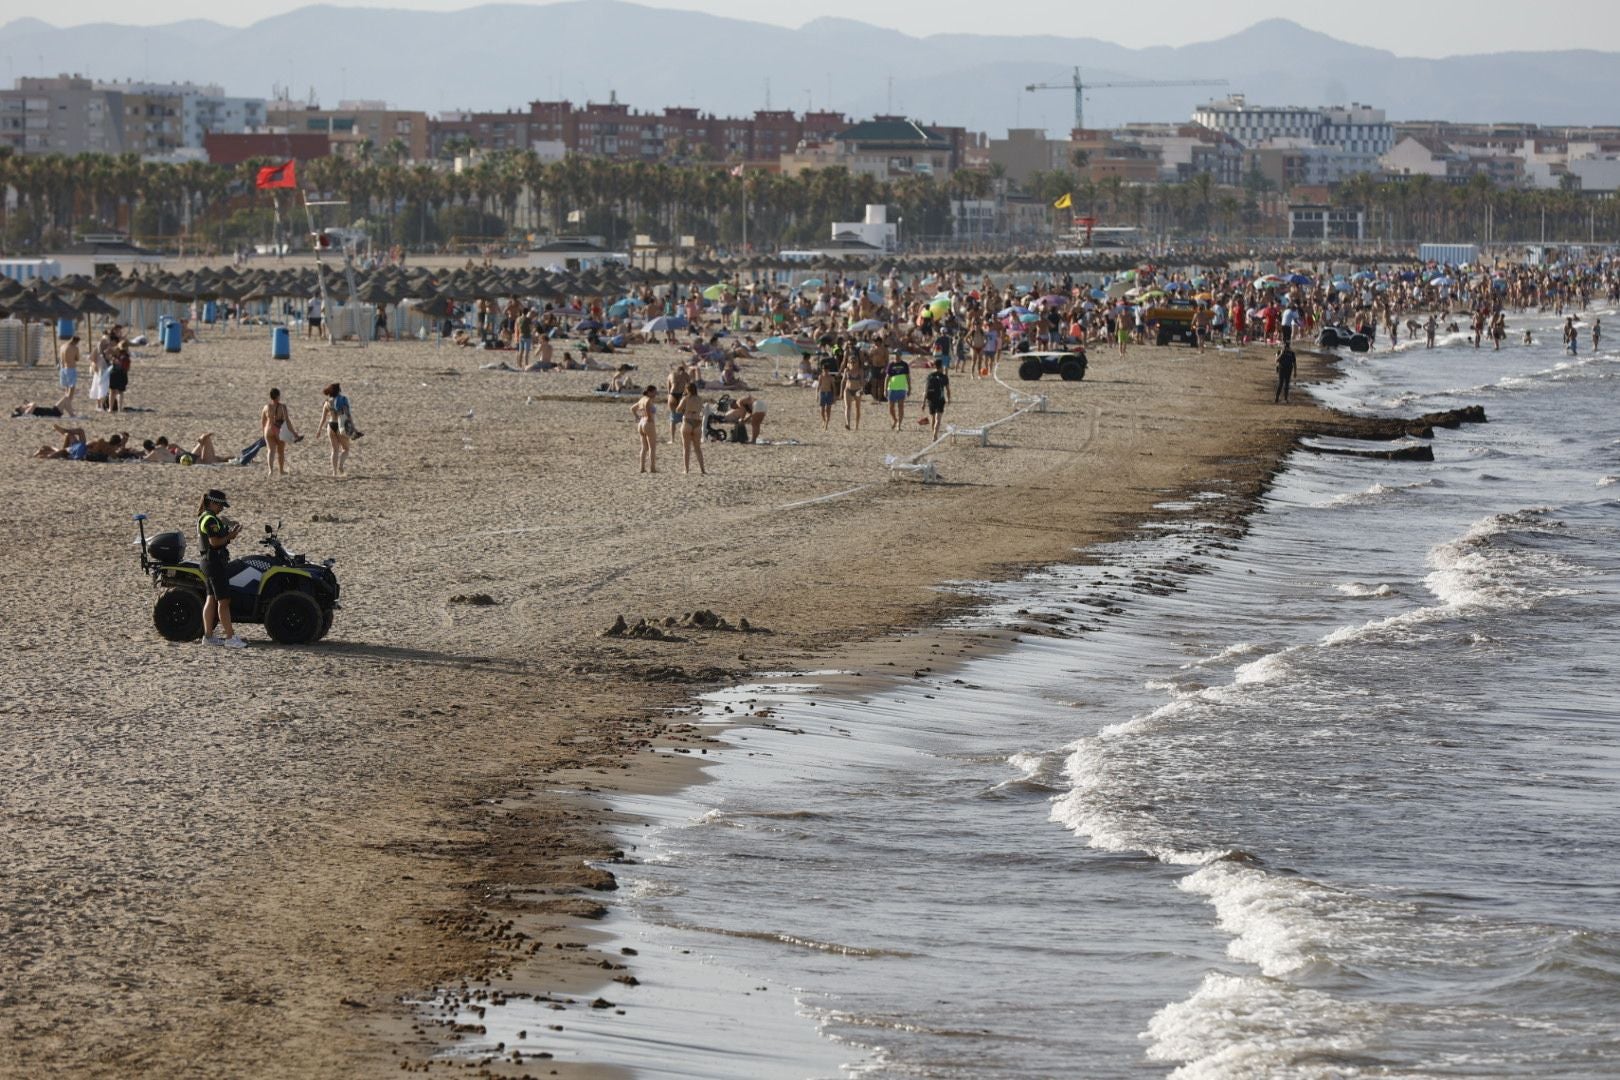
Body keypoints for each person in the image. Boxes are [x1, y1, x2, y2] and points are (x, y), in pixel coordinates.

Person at [197, 489, 247, 648]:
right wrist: (230, 537)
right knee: (224, 601)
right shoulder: (209, 519)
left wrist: (228, 533)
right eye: (221, 506)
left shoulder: (207, 517)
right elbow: (215, 542)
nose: (222, 509)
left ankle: (208, 637)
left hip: (208, 562)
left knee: (211, 599)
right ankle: (230, 638)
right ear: (212, 503)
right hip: (214, 563)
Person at [260, 387, 301, 477]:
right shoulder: (283, 407)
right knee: (280, 452)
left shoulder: (266, 407)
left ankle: (270, 471)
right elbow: (287, 421)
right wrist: (294, 433)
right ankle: (281, 471)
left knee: (270, 451)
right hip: (278, 430)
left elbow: (263, 421)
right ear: (278, 396)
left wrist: (263, 433)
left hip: (269, 429)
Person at [320, 383, 356, 476]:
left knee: (334, 450)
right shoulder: (343, 400)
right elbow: (348, 415)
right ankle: (341, 465)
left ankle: (334, 472)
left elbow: (323, 418)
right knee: (346, 449)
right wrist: (354, 428)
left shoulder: (327, 402)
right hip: (341, 426)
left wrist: (319, 430)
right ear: (339, 391)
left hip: (331, 425)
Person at [678, 383, 706, 475]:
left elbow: (678, 409)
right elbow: (701, 409)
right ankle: (702, 469)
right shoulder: (700, 399)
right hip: (697, 422)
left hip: (687, 420)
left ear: (687, 389)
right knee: (698, 448)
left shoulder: (686, 398)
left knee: (686, 448)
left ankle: (686, 470)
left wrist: (683, 405)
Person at [840, 344, 867, 431]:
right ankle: (848, 423)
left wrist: (863, 389)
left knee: (857, 408)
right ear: (848, 362)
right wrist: (841, 392)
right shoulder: (846, 371)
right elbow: (843, 381)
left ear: (857, 362)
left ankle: (857, 426)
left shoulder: (860, 371)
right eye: (851, 362)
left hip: (857, 390)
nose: (853, 363)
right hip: (848, 390)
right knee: (848, 407)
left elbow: (862, 381)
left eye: (854, 362)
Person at [632, 385, 658, 473]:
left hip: (641, 423)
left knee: (644, 448)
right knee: (652, 447)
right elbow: (647, 408)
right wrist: (650, 418)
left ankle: (642, 468)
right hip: (648, 423)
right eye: (654, 392)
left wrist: (637, 417)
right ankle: (652, 468)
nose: (655, 394)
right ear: (649, 392)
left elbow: (632, 408)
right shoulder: (648, 400)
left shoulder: (641, 399)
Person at [55, 335, 81, 417]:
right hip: (71, 368)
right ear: (75, 341)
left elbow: (60, 358)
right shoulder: (74, 348)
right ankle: (68, 406)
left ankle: (65, 405)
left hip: (63, 369)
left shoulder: (62, 346)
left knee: (66, 389)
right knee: (71, 389)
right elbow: (77, 358)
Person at [885, 352, 911, 431]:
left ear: (900, 355)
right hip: (892, 388)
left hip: (901, 388)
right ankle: (895, 420)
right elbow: (887, 378)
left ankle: (899, 425)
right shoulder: (891, 365)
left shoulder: (905, 365)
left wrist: (909, 387)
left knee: (901, 407)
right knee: (891, 408)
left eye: (898, 355)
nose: (896, 356)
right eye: (895, 355)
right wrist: (885, 389)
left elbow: (907, 377)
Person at [923, 362, 950, 438]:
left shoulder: (930, 376)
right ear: (941, 367)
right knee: (938, 419)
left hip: (931, 399)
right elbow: (948, 390)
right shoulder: (944, 377)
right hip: (940, 400)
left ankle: (933, 433)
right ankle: (935, 434)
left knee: (933, 418)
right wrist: (948, 398)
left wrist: (924, 402)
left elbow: (926, 389)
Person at [816, 363, 838, 430]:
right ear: (822, 370)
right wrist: (816, 395)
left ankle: (826, 424)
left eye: (826, 370)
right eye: (824, 370)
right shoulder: (821, 377)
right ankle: (824, 420)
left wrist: (834, 396)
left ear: (828, 370)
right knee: (822, 410)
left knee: (828, 410)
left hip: (829, 393)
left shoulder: (831, 378)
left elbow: (834, 387)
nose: (825, 371)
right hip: (822, 393)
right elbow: (818, 386)